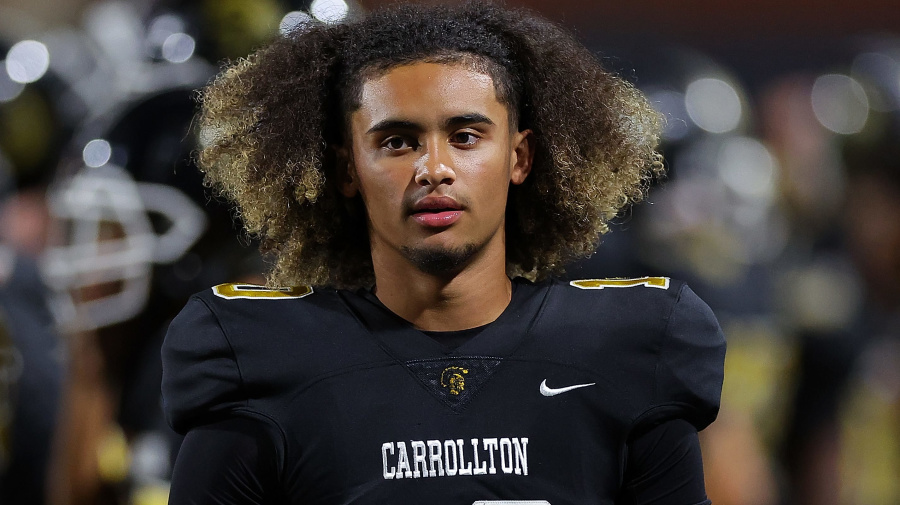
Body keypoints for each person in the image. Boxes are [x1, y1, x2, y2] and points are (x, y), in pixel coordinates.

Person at [161, 2, 726, 504]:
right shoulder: (258, 356)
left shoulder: (626, 348)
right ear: (345, 170)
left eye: (466, 136)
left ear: (520, 157)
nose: (433, 169)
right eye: (397, 141)